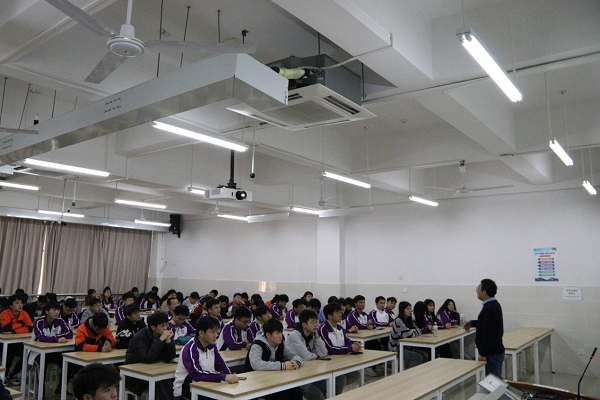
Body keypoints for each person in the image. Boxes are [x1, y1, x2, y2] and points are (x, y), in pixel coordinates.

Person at [173, 316, 238, 400]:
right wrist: (223, 376)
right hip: (186, 392)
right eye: (212, 332)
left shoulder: (211, 346)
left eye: (217, 332)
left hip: (205, 387)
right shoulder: (190, 349)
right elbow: (197, 374)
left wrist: (230, 376)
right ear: (201, 333)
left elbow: (221, 365)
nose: (216, 335)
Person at [287, 310, 345, 399]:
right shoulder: (295, 336)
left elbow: (324, 353)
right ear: (304, 324)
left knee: (340, 379)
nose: (316, 325)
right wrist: (315, 355)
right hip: (297, 375)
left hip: (311, 371)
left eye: (316, 322)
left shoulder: (312, 334)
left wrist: (317, 337)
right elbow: (307, 356)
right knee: (312, 390)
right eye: (312, 322)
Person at [244, 318, 303, 400]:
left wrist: (296, 363)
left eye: (281, 332)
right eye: (277, 333)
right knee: (282, 395)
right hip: (256, 381)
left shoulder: (281, 344)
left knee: (296, 390)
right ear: (268, 335)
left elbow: (294, 355)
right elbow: (256, 364)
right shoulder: (257, 345)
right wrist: (283, 365)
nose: (281, 336)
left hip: (274, 379)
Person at [125, 312, 176, 398]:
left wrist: (168, 341)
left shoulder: (162, 335)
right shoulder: (140, 337)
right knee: (161, 382)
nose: (165, 328)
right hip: (135, 376)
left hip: (154, 369)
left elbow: (170, 357)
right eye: (162, 326)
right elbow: (147, 358)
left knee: (173, 380)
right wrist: (160, 340)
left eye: (166, 325)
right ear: (153, 327)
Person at [464, 279, 505, 378]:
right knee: (495, 380)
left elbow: (488, 333)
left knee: (493, 382)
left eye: (478, 288)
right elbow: (487, 323)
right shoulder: (493, 305)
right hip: (495, 350)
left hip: (491, 353)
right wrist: (472, 323)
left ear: (484, 292)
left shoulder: (489, 308)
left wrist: (483, 353)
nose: (476, 291)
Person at [32, 301, 74, 394]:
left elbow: (69, 334)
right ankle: (40, 393)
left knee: (68, 362)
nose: (56, 312)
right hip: (38, 352)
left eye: (58, 310)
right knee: (42, 364)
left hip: (54, 351)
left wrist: (57, 337)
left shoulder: (60, 321)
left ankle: (60, 388)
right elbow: (41, 337)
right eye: (53, 310)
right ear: (47, 311)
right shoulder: (38, 322)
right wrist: (57, 339)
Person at [0, 294, 33, 383]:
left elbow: (30, 328)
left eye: (21, 303)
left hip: (17, 342)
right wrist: (22, 325)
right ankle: (4, 375)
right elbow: (6, 328)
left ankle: (13, 374)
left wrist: (14, 331)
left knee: (28, 354)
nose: (20, 305)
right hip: (4, 343)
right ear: (11, 305)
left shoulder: (24, 313)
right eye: (17, 303)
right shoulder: (5, 313)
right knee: (8, 354)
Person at [388, 301, 429, 368]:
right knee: (418, 357)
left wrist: (414, 332)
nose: (410, 311)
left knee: (425, 355)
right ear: (402, 310)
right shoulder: (398, 321)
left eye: (410, 309)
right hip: (397, 348)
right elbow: (410, 334)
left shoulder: (409, 319)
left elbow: (418, 329)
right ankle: (413, 373)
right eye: (407, 309)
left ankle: (421, 372)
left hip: (407, 346)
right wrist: (414, 332)